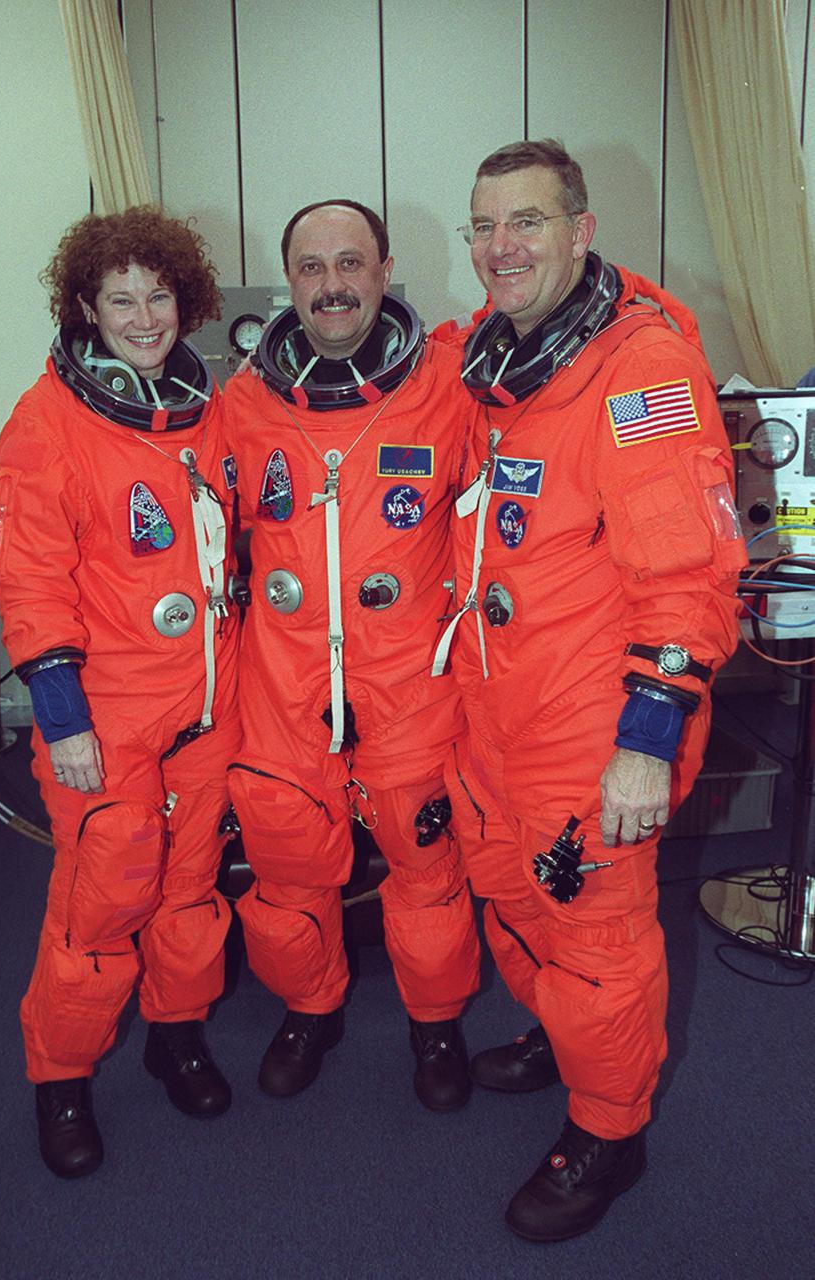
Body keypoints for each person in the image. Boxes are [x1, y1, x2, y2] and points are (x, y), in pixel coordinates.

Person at [432, 141, 744, 1240]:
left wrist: (645, 741)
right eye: (482, 226)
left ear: (581, 230)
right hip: (493, 709)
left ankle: (608, 1133)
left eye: (525, 222)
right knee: (514, 898)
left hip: (591, 724)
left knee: (598, 935)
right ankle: (561, 1034)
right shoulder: (492, 361)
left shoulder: (639, 371)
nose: (500, 247)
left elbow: (689, 575)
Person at [0, 207, 242, 1179]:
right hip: (103, 718)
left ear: (185, 299)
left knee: (190, 892)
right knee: (101, 904)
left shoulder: (209, 410)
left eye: (158, 296)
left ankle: (176, 1035)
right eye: (120, 300)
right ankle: (62, 1076)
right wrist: (62, 720)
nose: (143, 318)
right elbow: (27, 578)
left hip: (204, 709)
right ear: (86, 308)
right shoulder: (46, 421)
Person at [221, 200, 480, 1110]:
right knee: (287, 867)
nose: (331, 286)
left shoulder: (451, 388)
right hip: (285, 685)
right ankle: (311, 1008)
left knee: (426, 867)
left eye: (350, 263)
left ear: (384, 270)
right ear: (288, 282)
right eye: (310, 267)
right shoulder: (243, 404)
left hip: (407, 684)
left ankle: (436, 1022)